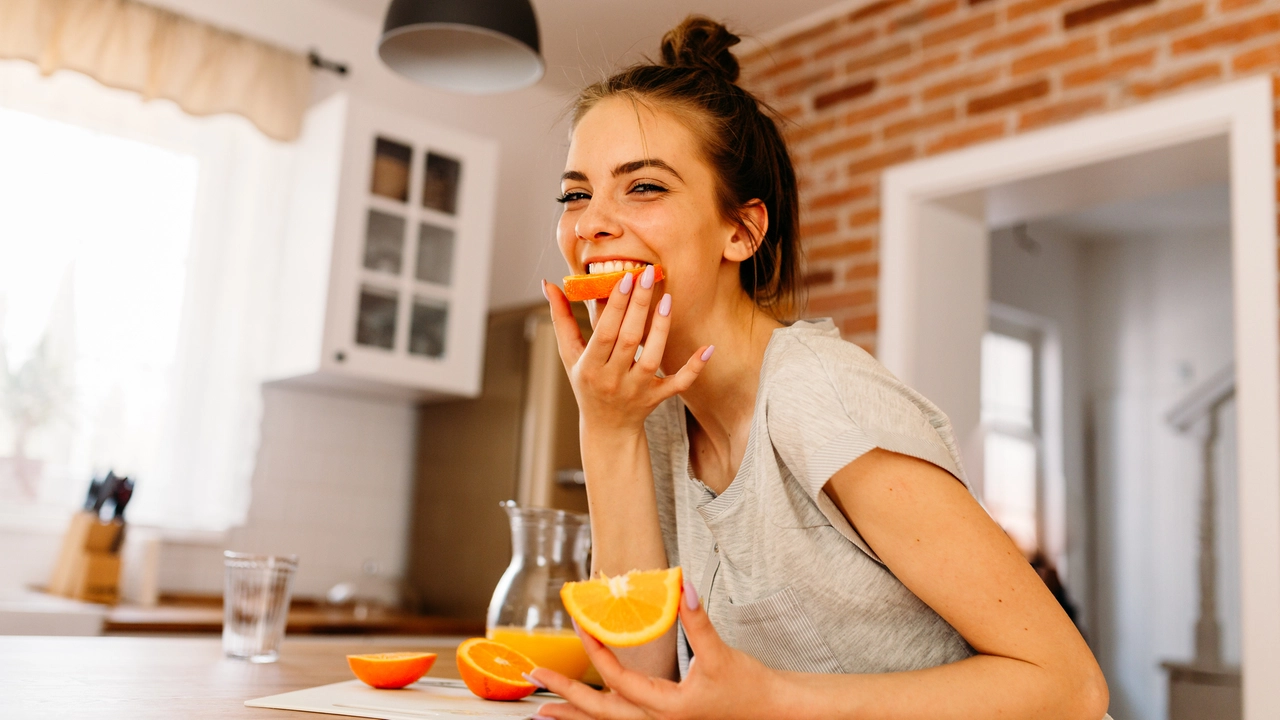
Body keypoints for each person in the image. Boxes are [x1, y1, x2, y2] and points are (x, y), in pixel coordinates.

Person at [531, 15, 1109, 720]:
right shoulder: (652, 416)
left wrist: (768, 700)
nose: (590, 223)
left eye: (644, 187)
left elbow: (1069, 687)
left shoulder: (815, 393)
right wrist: (608, 427)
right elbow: (637, 673)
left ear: (740, 231)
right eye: (575, 193)